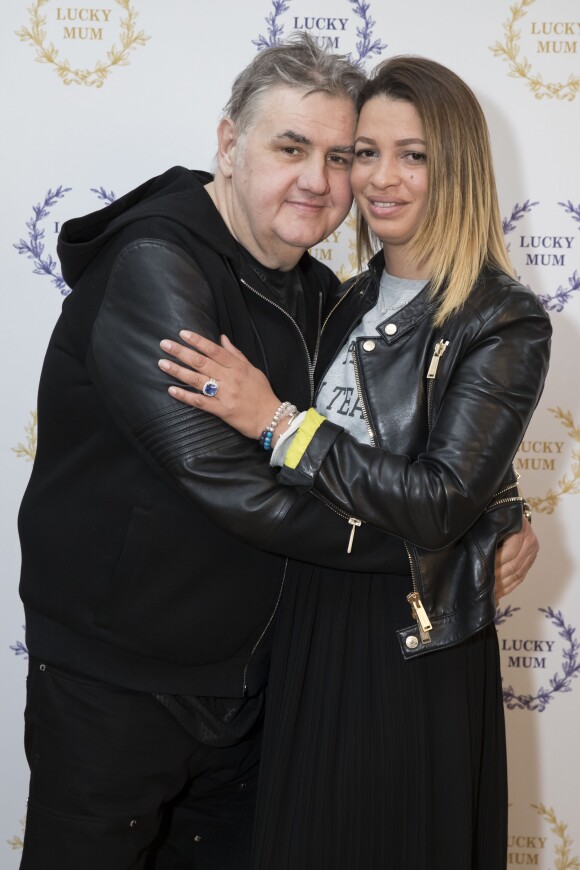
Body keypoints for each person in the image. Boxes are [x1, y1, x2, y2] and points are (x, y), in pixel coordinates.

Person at [156, 56, 551, 868]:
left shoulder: (501, 318)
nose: (381, 178)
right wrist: (495, 512)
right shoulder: (334, 298)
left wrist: (279, 421)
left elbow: (439, 500)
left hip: (410, 646)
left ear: (459, 167)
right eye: (363, 152)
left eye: (414, 155)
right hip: (304, 627)